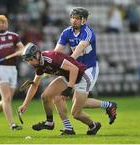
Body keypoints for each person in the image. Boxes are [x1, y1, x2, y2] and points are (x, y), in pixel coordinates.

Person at [31, 7, 117, 135]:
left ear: (84, 20)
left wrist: (69, 62)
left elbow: (80, 47)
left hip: (87, 70)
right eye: (73, 17)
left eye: (78, 18)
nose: (74, 20)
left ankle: (108, 106)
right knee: (52, 96)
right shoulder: (66, 32)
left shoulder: (88, 32)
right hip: (71, 70)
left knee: (76, 112)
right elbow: (57, 52)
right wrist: (49, 65)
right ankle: (68, 128)